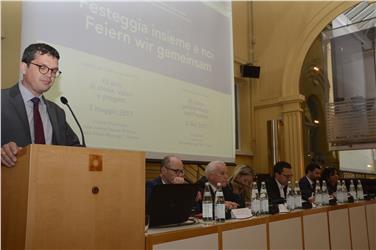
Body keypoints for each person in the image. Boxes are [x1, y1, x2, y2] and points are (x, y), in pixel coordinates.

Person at [1, 43, 80, 167]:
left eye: (54, 71)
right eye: (43, 67)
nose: (49, 75)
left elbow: (77, 150)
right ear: (24, 68)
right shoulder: (2, 101)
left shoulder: (57, 112)